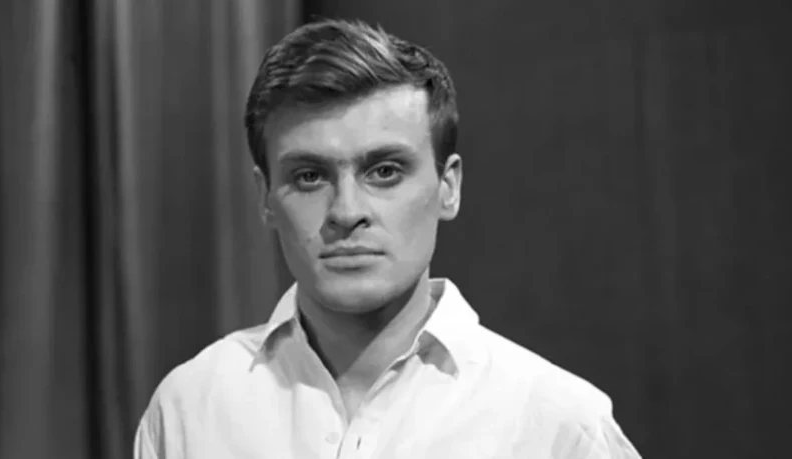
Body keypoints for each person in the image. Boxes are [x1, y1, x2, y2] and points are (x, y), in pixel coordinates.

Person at [134, 18, 641, 459]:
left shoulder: (556, 426)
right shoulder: (191, 408)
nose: (346, 212)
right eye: (309, 176)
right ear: (265, 196)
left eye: (384, 171)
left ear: (448, 187)